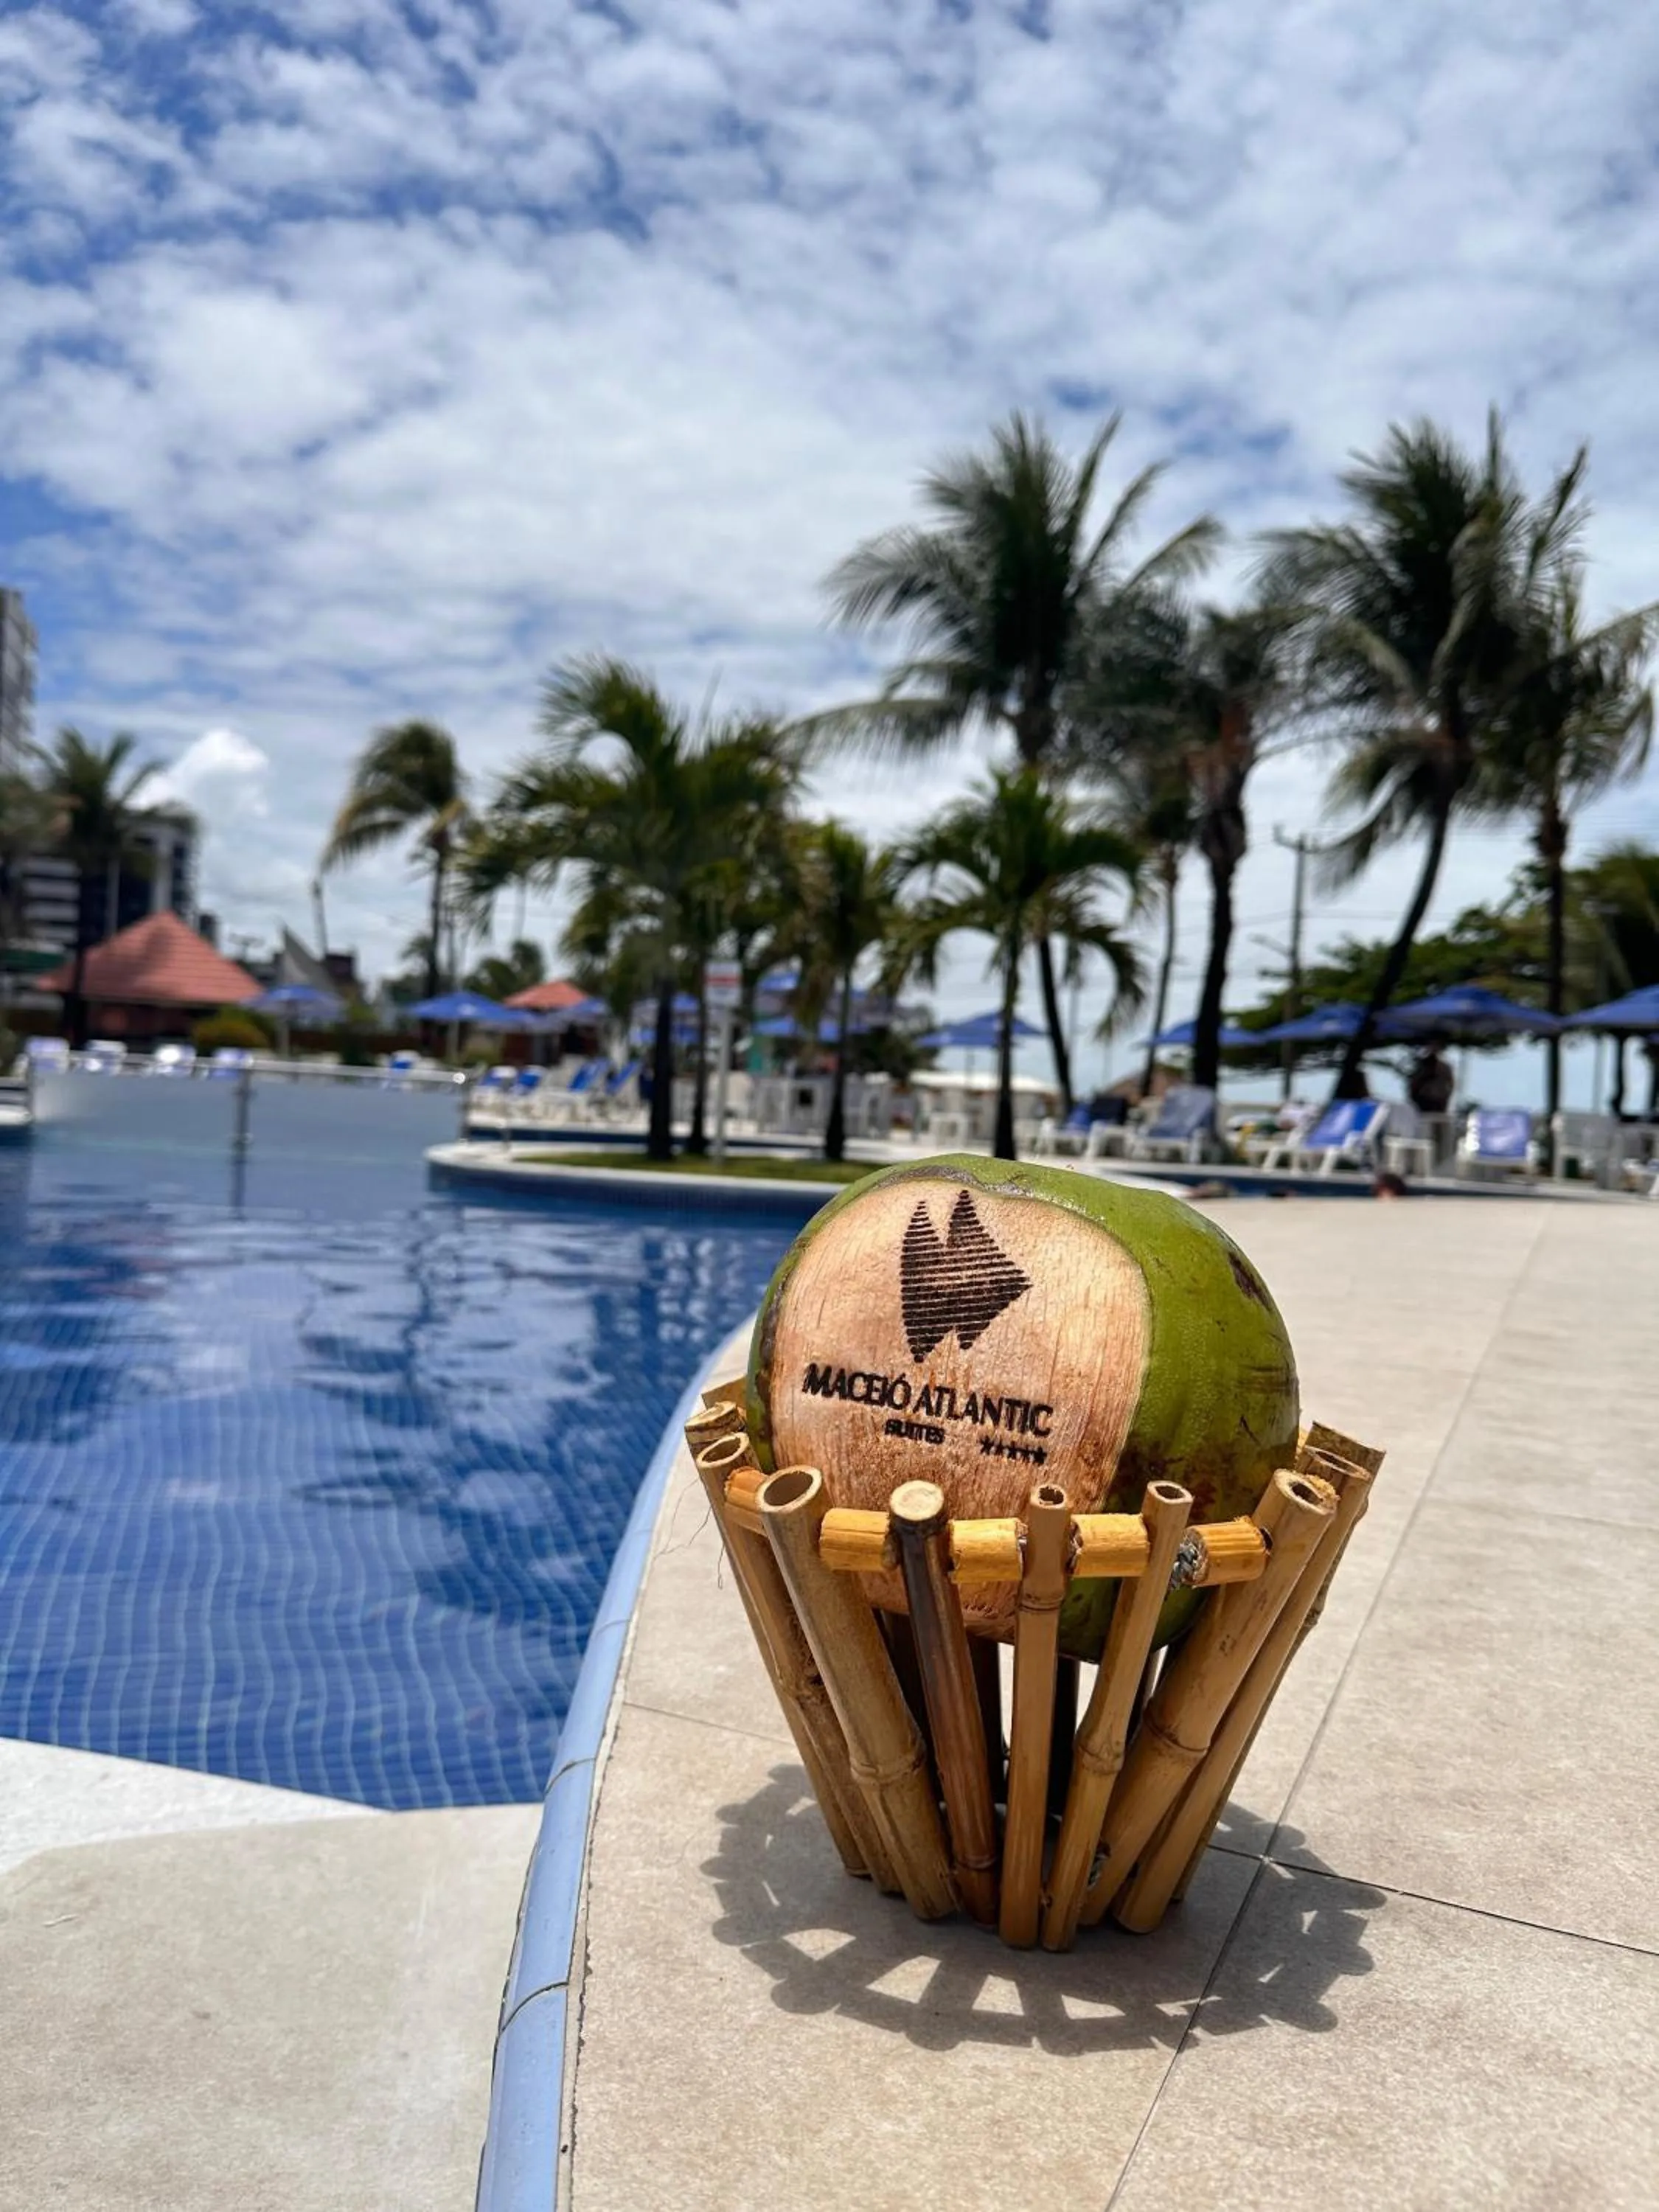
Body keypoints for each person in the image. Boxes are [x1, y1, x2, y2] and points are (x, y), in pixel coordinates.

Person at [1408, 1045, 1454, 1119]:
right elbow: (1414, 1084)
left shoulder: (1444, 1068)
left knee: (1437, 1119)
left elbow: (1451, 1084)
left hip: (1439, 1101)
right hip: (1424, 1101)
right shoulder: (1422, 1067)